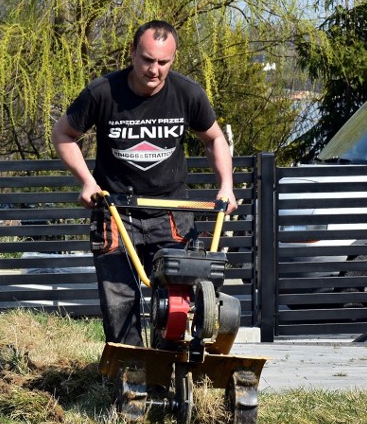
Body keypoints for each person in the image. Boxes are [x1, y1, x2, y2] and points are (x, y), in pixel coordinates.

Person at [51, 20, 237, 347]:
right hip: (115, 210)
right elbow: (63, 134)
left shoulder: (187, 93)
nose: (154, 69)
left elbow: (214, 139)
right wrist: (87, 182)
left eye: (163, 62)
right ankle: (131, 377)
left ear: (173, 59)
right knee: (120, 299)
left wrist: (226, 186)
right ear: (133, 53)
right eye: (147, 60)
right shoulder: (103, 92)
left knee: (178, 297)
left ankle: (169, 372)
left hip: (170, 211)